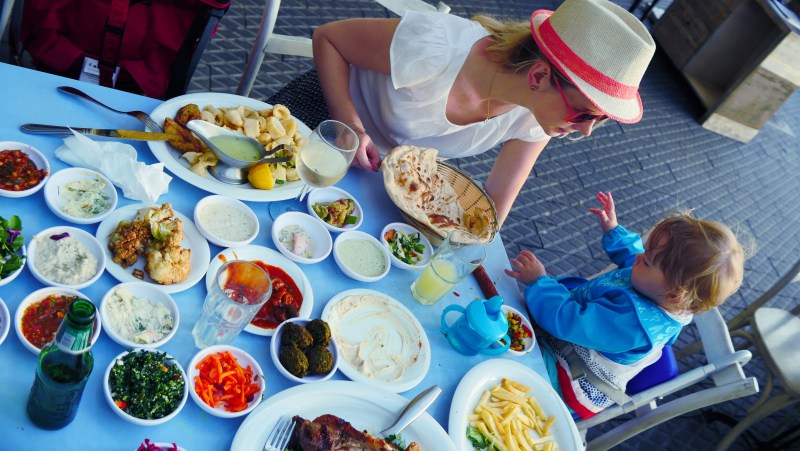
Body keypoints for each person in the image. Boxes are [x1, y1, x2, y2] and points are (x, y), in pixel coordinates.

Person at [311, 0, 656, 226]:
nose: (585, 132)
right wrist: (349, 127)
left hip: (383, 190)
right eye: (584, 114)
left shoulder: (538, 118)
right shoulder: (436, 46)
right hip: (325, 126)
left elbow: (491, 210)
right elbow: (328, 39)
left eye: (601, 118)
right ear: (538, 75)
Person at [505, 192, 746, 418]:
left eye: (648, 260)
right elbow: (633, 254)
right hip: (567, 338)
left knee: (508, 359)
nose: (640, 257)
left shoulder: (633, 325)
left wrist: (540, 283)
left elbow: (567, 320)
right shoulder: (659, 286)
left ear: (674, 294)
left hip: (566, 377)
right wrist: (613, 230)